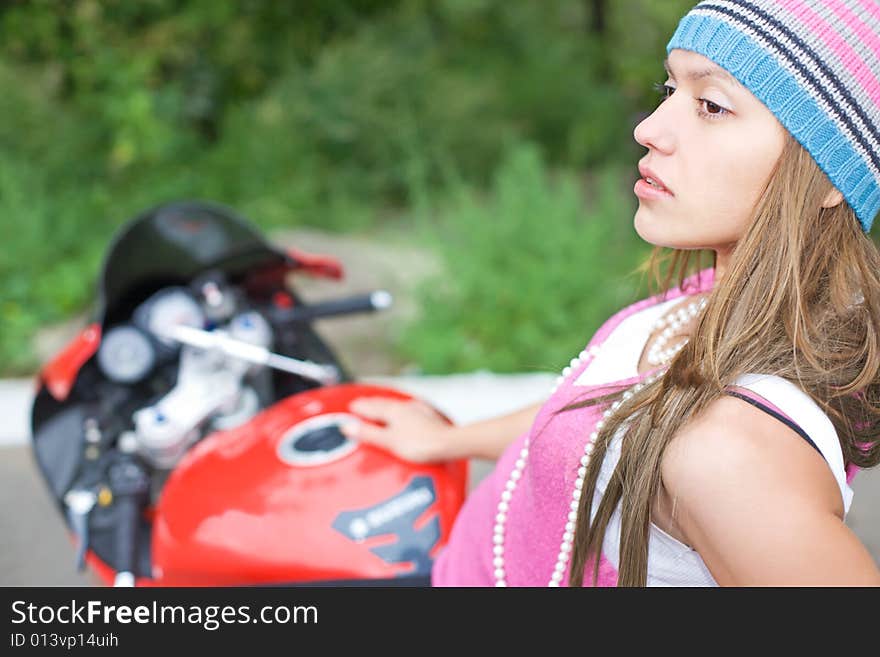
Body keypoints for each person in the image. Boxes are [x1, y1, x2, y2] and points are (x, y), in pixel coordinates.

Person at [340, 0, 880, 586]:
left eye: (712, 105)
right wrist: (450, 440)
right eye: (667, 87)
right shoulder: (719, 300)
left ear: (828, 175)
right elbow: (592, 410)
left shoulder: (731, 449)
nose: (648, 128)